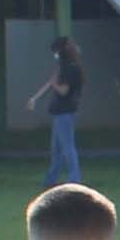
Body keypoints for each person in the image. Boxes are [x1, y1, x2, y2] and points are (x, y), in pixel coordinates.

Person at [27, 36, 85, 186]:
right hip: (61, 112)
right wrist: (35, 98)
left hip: (65, 111)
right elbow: (50, 82)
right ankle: (50, 179)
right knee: (57, 149)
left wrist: (54, 85)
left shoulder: (70, 69)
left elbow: (63, 90)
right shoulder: (65, 67)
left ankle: (74, 178)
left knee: (67, 146)